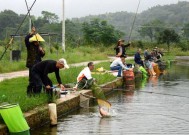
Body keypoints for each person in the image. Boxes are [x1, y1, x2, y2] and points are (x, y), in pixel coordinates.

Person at [25, 27, 45, 95]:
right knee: (32, 80)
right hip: (32, 65)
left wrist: (42, 51)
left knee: (38, 79)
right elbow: (26, 39)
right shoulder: (29, 46)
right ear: (34, 41)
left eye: (38, 41)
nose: (38, 42)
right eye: (36, 41)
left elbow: (42, 55)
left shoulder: (39, 46)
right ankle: (29, 93)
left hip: (38, 65)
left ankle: (36, 93)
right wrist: (31, 33)